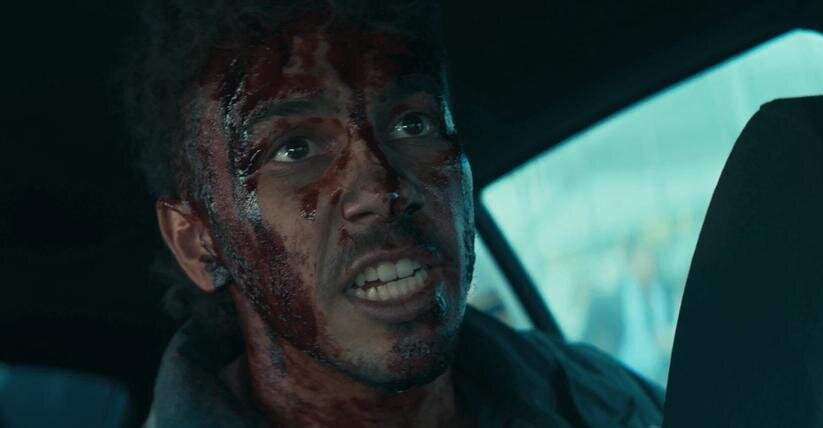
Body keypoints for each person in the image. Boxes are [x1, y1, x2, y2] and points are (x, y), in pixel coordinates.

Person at [119, 0, 664, 426]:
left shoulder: (602, 399)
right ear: (197, 242)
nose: (381, 189)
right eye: (295, 149)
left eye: (413, 124)